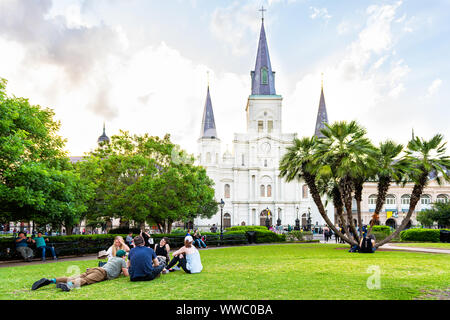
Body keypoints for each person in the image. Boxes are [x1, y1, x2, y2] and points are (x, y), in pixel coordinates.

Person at [31, 250, 129, 292]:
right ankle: (68, 285)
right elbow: (125, 274)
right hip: (102, 273)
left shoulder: (111, 259)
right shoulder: (122, 260)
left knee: (74, 277)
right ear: (123, 256)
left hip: (94, 269)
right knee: (86, 280)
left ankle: (51, 280)